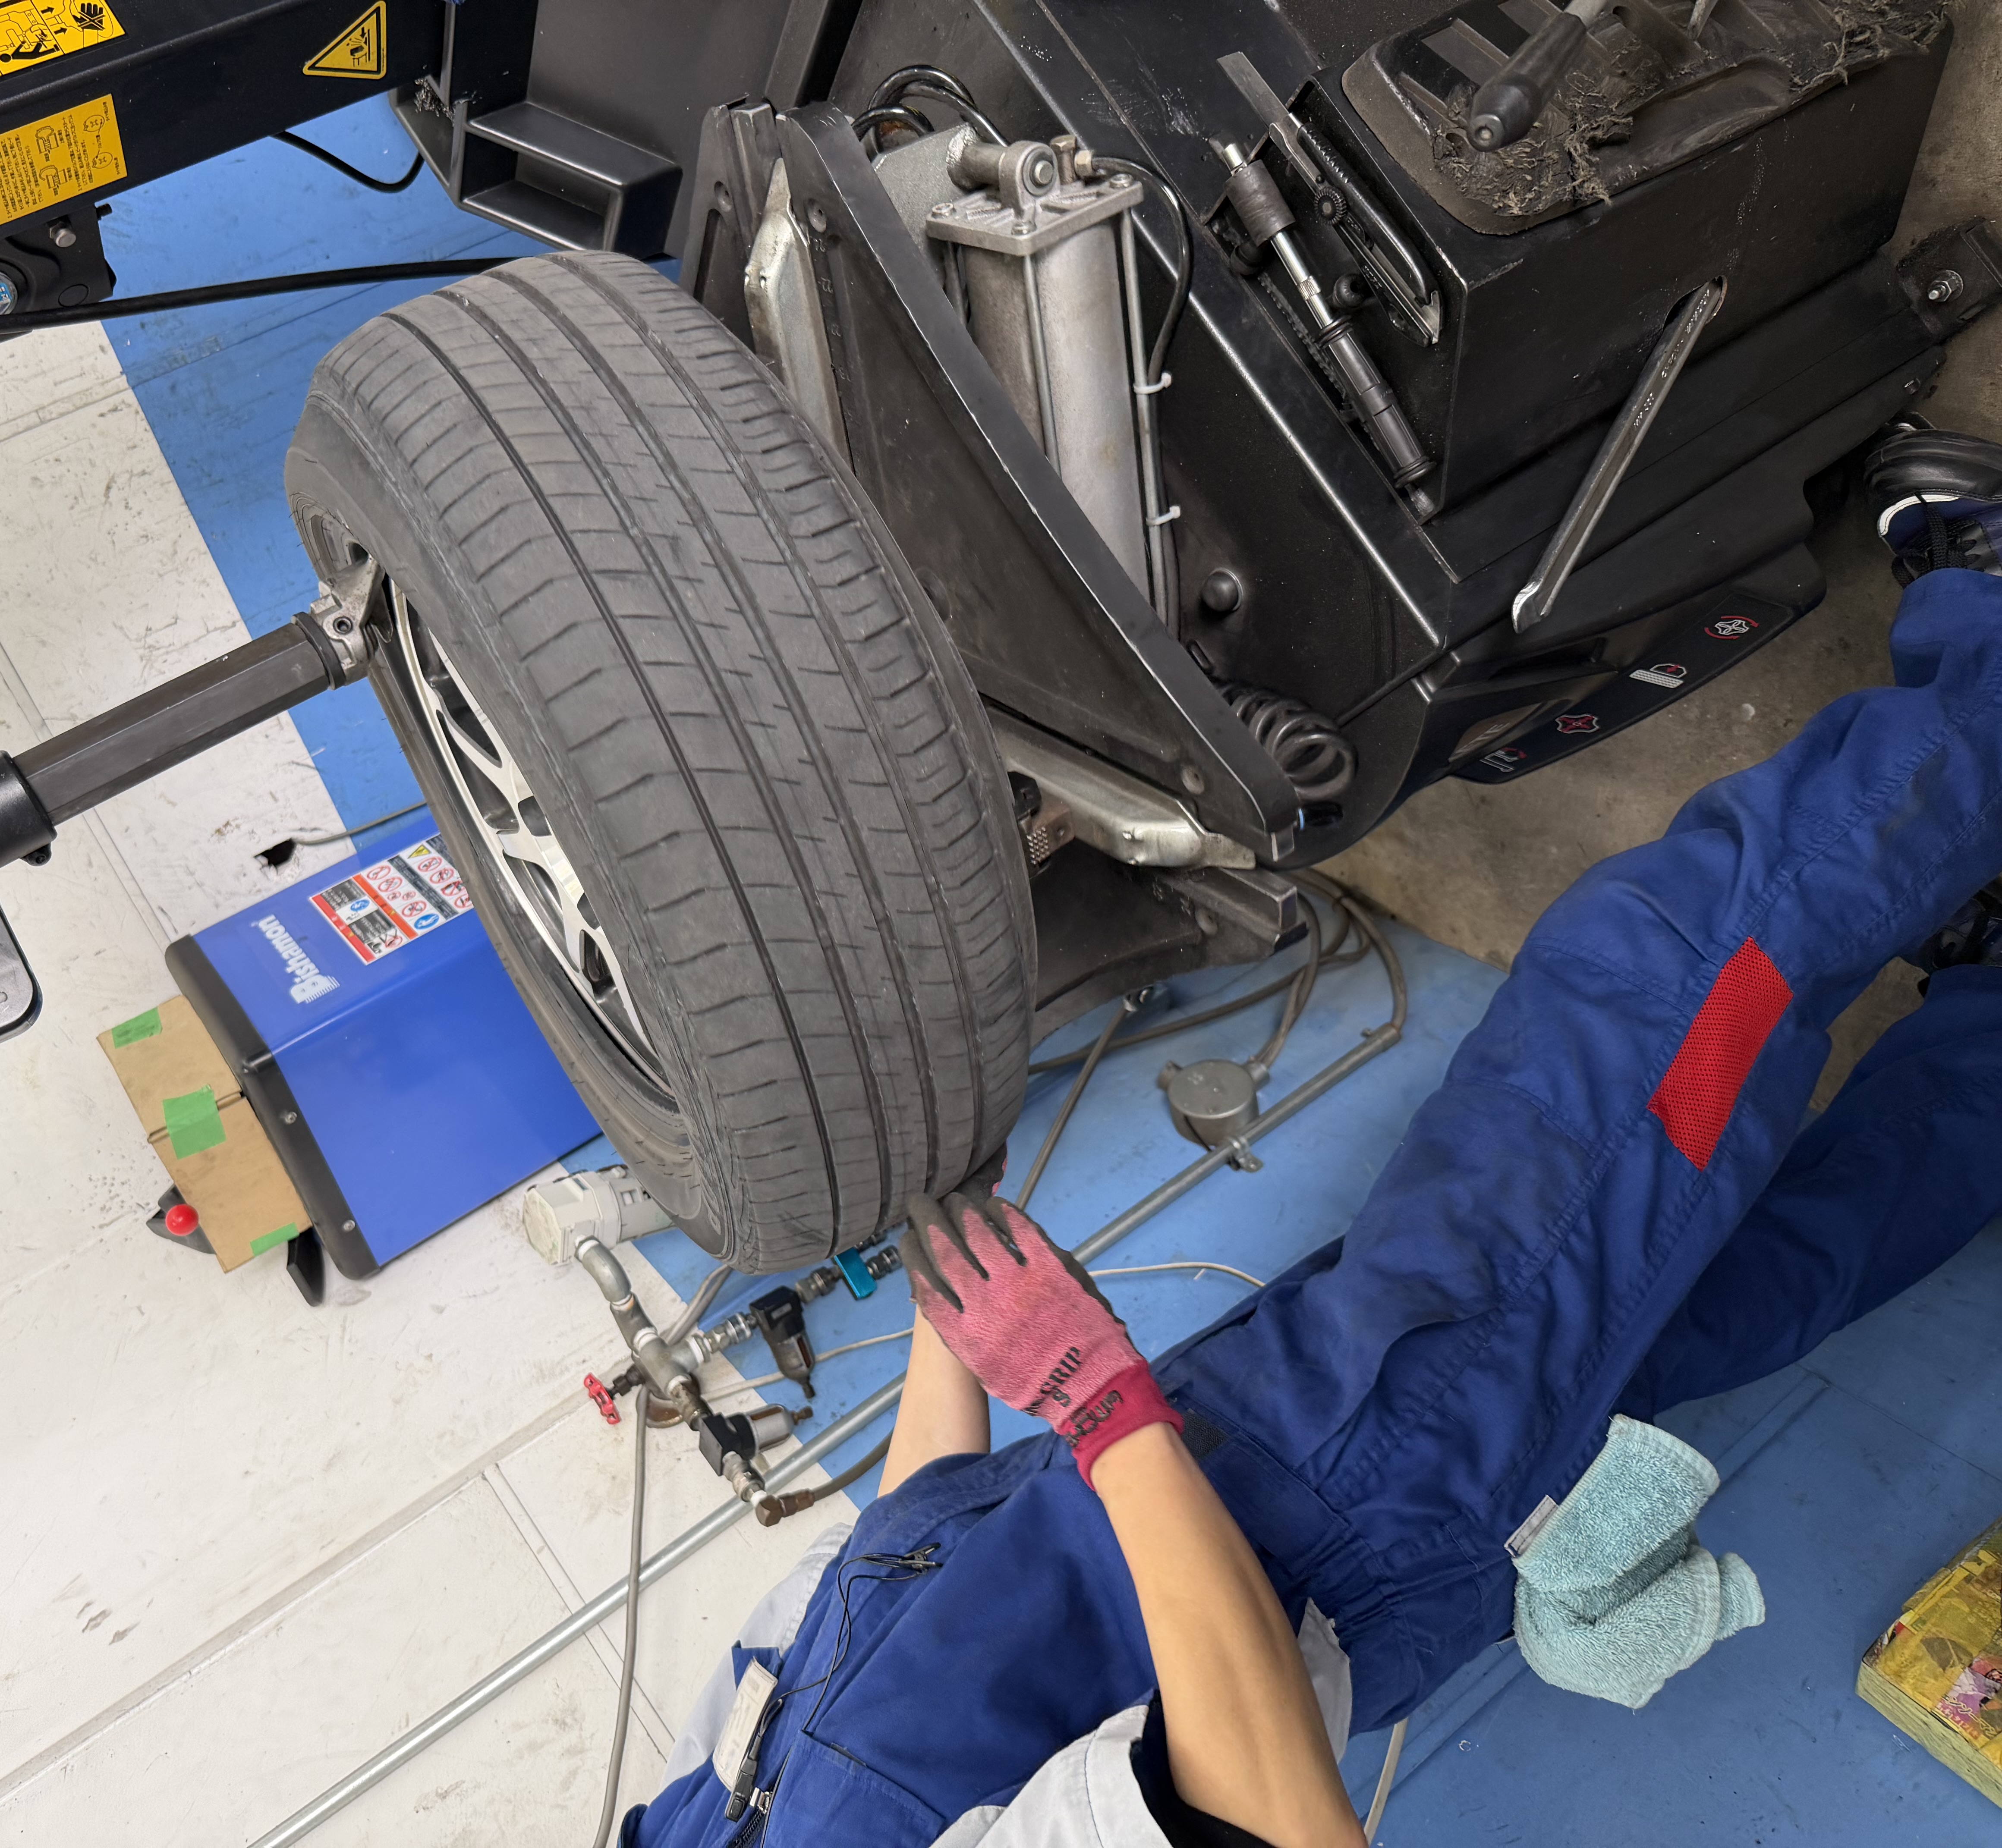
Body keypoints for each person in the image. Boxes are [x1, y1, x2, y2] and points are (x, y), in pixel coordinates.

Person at [622, 422, 2002, 1848]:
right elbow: (1282, 1823)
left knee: (1729, 1270)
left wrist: (952, 1303)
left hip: (1259, 1434)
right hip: (1371, 1481)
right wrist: (1101, 1408)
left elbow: (909, 1547)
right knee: (1665, 997)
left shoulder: (684, 1819)